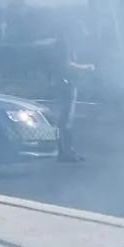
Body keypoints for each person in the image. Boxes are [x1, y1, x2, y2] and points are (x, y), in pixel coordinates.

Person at [47, 29, 95, 162]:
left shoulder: (61, 45)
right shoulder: (63, 46)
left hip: (62, 84)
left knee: (64, 120)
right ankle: (65, 152)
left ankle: (65, 151)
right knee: (65, 121)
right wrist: (86, 68)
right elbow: (66, 66)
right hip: (65, 85)